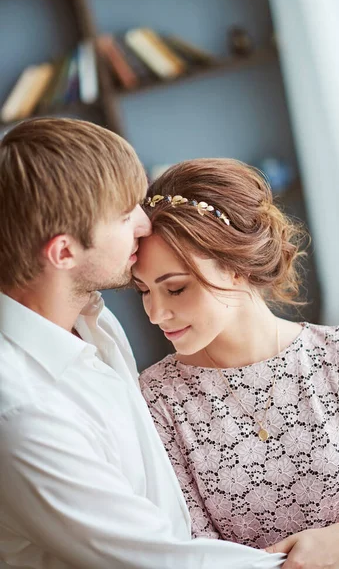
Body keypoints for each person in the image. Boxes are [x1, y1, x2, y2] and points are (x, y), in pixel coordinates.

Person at [0, 118, 301, 569]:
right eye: (124, 216)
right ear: (63, 252)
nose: (145, 223)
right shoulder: (22, 412)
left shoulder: (92, 321)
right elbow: (163, 561)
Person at [136, 158, 339, 569]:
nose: (155, 313)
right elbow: (189, 550)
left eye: (175, 289)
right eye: (143, 292)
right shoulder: (156, 399)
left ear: (237, 265)